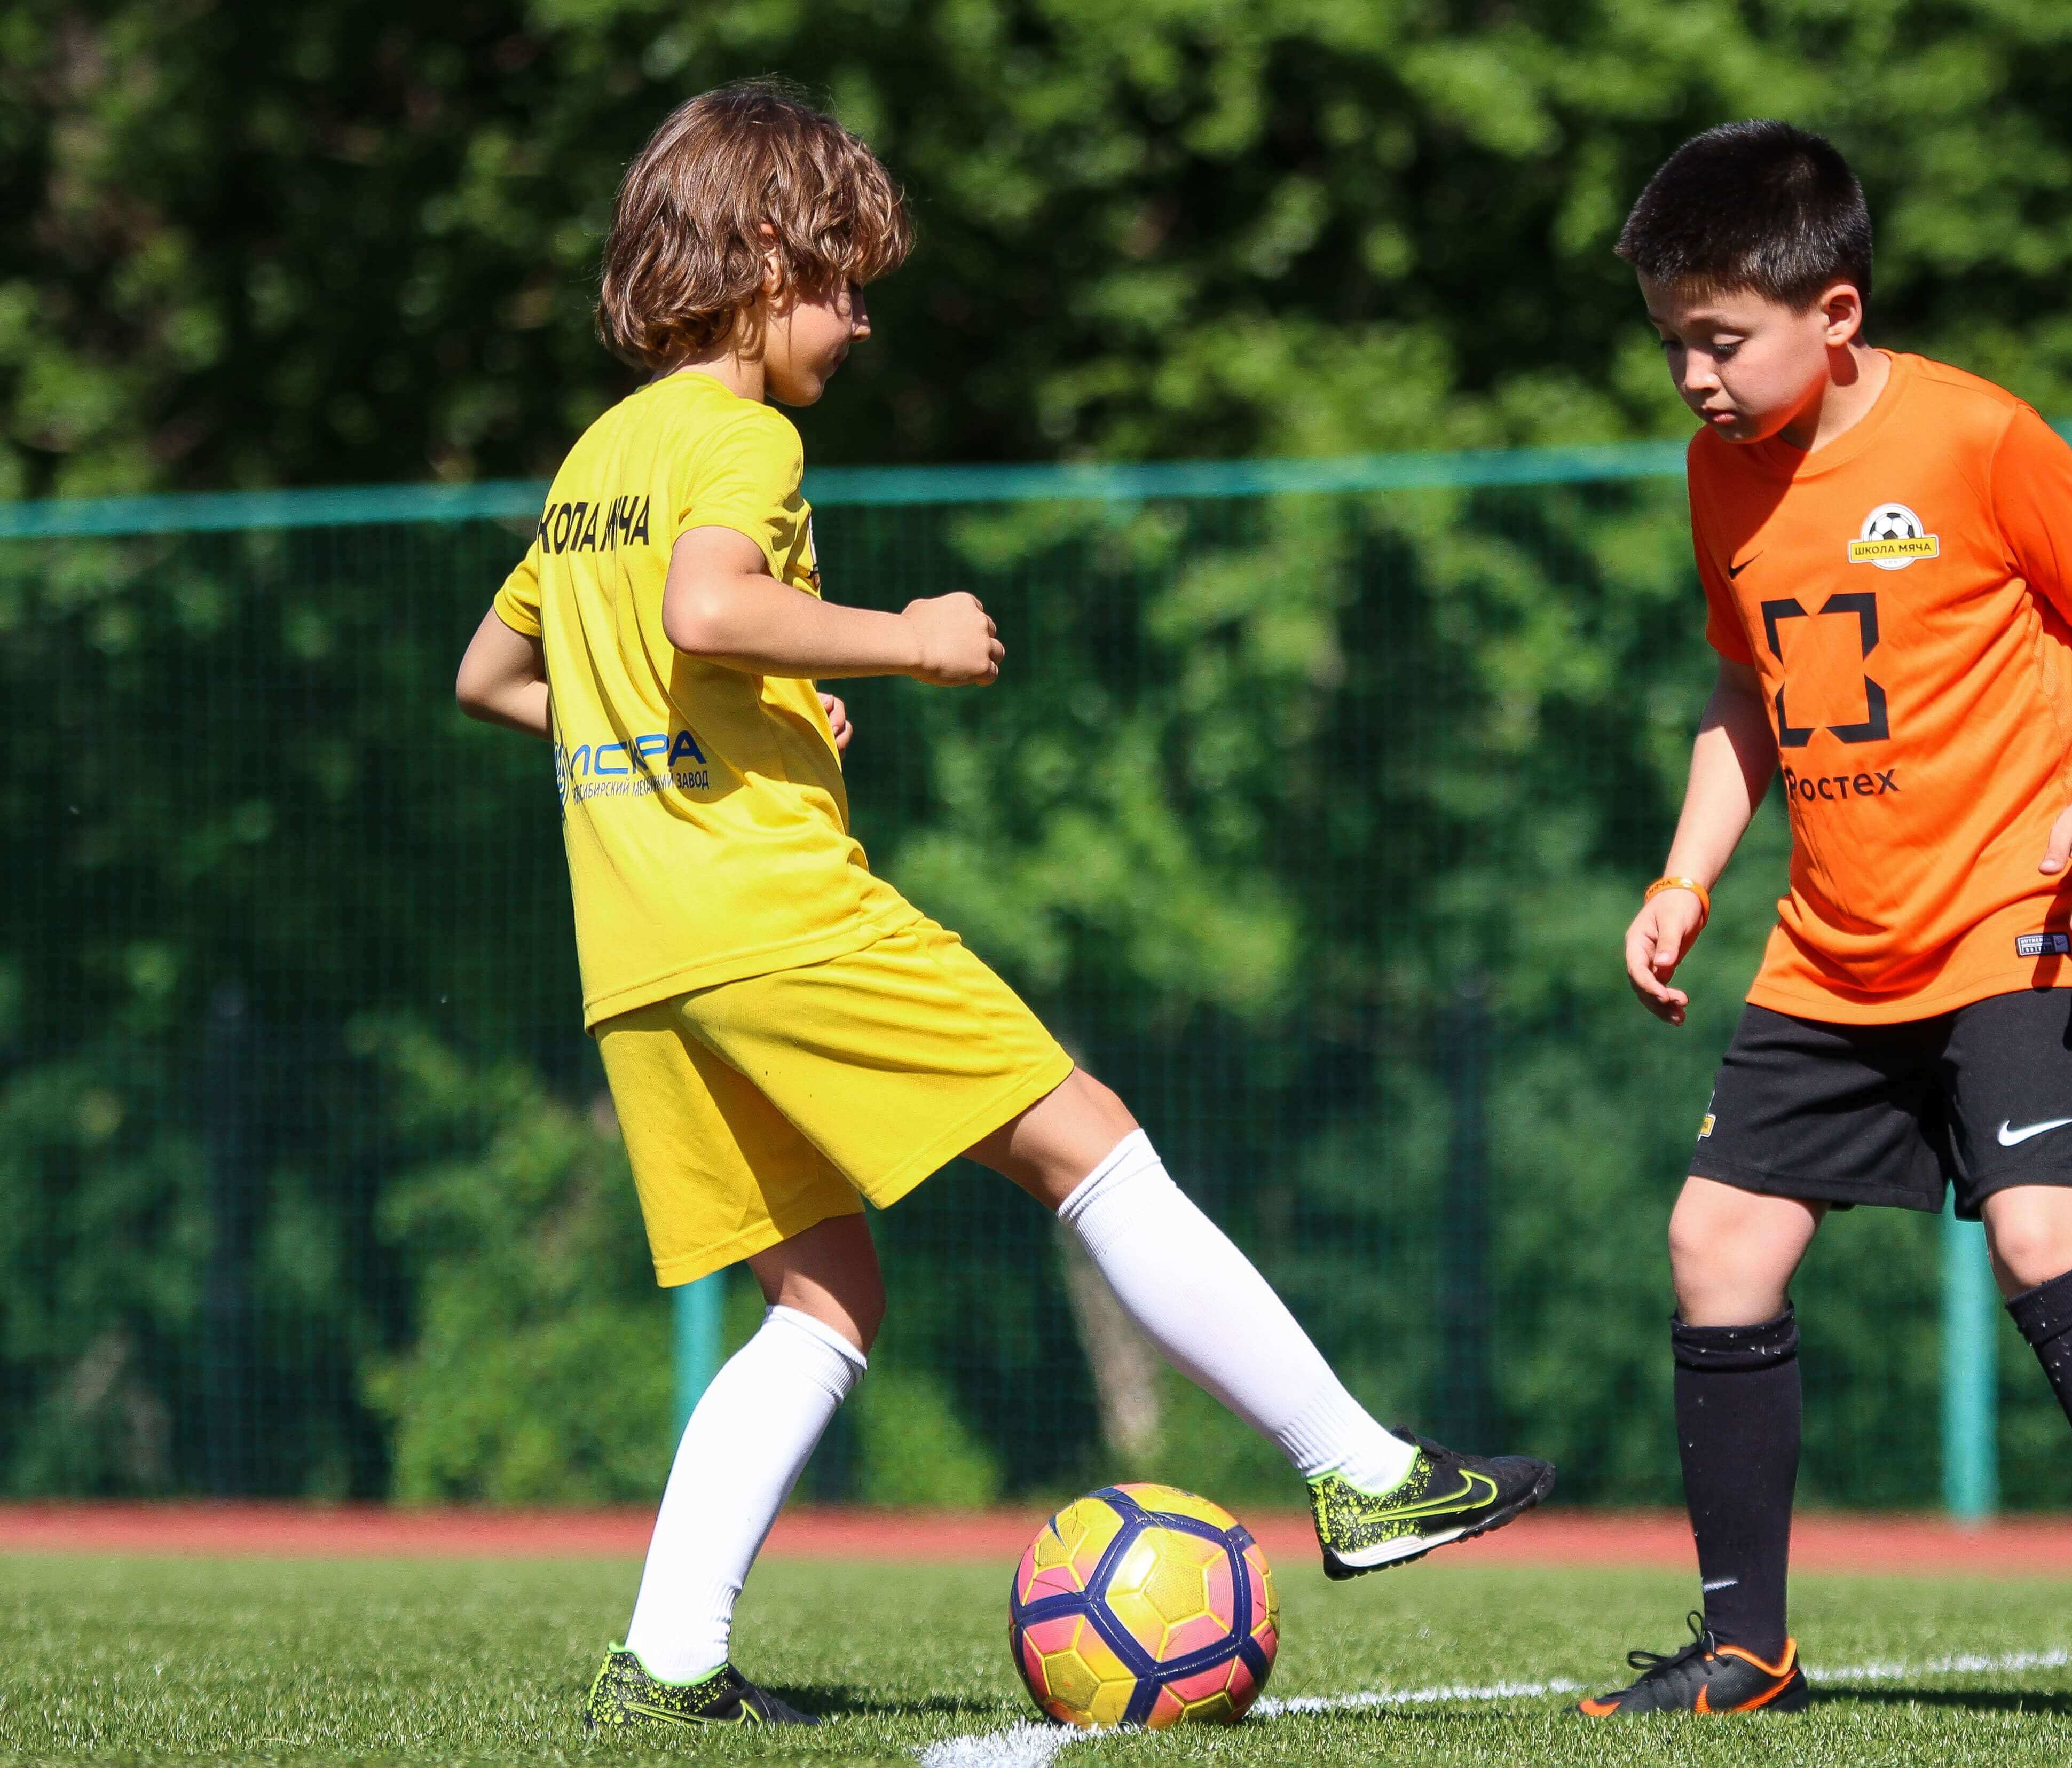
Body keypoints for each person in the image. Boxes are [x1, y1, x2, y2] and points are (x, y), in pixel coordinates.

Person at [452, 79, 1552, 1732]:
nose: (861, 321)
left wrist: (701, 716)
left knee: (829, 1296)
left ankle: (668, 1662)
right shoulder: (745, 436)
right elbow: (711, 601)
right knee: (1088, 1138)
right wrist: (907, 637)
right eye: (844, 283)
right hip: (775, 915)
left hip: (644, 957)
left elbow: (491, 675)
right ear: (763, 260)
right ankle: (1361, 1474)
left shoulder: (593, 461)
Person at [1574, 121, 2072, 1728]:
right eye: (1671, 344)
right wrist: (1685, 878)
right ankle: (1747, 1649)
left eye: (1719, 340)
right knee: (1719, 1241)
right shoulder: (1719, 477)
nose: (1691, 377)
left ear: (1833, 316)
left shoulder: (1975, 438)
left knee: (2046, 1232)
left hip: (2014, 917)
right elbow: (1743, 695)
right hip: (1835, 943)